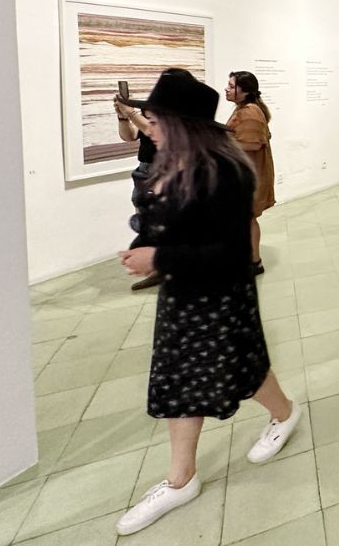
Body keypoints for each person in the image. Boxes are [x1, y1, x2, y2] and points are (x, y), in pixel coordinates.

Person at [115, 70, 301, 535]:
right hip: (184, 291)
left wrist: (158, 254)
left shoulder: (225, 170)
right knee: (183, 379)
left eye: (153, 117)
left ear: (182, 124)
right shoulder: (172, 162)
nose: (146, 124)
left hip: (220, 292)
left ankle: (285, 413)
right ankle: (182, 479)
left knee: (242, 369)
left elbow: (231, 253)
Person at [225, 71, 275, 274]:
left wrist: (220, 143)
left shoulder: (250, 112)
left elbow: (253, 144)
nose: (226, 89)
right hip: (244, 174)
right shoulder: (244, 109)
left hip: (250, 176)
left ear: (244, 91)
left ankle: (254, 262)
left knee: (248, 218)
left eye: (231, 86)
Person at [115, 86, 163, 291]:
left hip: (160, 170)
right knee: (145, 221)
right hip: (144, 171)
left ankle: (161, 265)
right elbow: (129, 136)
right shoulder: (146, 118)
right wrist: (123, 118)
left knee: (162, 222)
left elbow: (151, 130)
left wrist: (131, 113)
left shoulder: (165, 121)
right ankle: (154, 266)